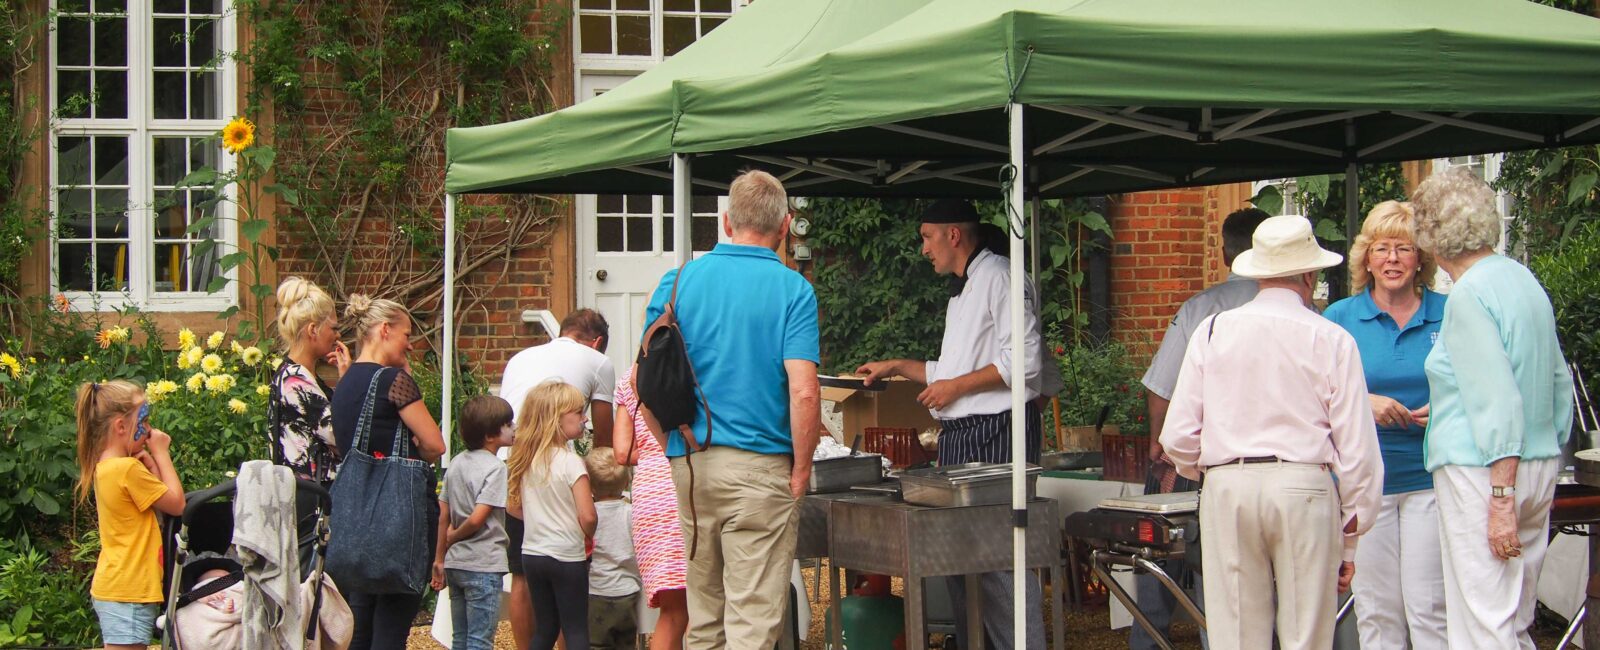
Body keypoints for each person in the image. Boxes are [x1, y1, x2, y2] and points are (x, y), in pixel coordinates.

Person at [1159, 214, 1383, 649]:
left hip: (1229, 483)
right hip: (1303, 483)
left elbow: (1178, 436)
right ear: (1309, 273)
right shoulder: (1331, 338)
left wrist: (1210, 469)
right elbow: (1357, 455)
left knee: (1236, 636)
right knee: (1306, 636)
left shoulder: (1212, 330)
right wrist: (1350, 539)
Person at [855, 198, 1045, 650]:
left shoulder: (1000, 276)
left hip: (997, 430)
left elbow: (1024, 362)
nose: (923, 248)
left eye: (927, 236)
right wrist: (897, 366)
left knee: (1000, 561)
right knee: (960, 562)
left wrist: (956, 388)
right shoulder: (963, 288)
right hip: (961, 437)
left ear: (953, 234)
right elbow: (954, 369)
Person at [642, 169, 820, 650]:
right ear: (785, 227)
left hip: (694, 465)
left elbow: (647, 382)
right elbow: (804, 392)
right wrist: (801, 469)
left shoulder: (676, 283)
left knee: (705, 619)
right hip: (762, 470)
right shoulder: (793, 290)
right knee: (752, 621)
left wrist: (674, 450)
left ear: (725, 222)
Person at [1411, 167, 1575, 649]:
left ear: (1432, 237)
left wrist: (1501, 495)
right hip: (1537, 463)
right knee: (1514, 619)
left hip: (1483, 473)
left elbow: (1498, 398)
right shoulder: (1524, 280)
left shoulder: (1468, 294)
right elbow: (1557, 383)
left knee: (1482, 622)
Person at [1132, 207, 1269, 650]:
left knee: (1162, 563)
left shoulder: (1201, 308)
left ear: (1224, 252)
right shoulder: (1303, 309)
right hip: (1275, 464)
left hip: (1199, 459)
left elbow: (1161, 387)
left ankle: (1149, 641)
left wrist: (1158, 445)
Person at [1321, 201, 1449, 649]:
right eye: (1382, 248)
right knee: (1376, 612)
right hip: (1365, 485)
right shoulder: (1339, 319)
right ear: (1366, 258)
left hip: (1432, 477)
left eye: (1404, 249)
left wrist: (1450, 407)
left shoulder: (1450, 313)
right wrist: (1363, 401)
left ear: (1421, 260)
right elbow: (1314, 397)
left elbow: (1479, 385)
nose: (1392, 259)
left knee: (1429, 609)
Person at [330, 294, 446, 650]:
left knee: (361, 626)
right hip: (397, 520)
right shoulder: (394, 380)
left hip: (356, 520)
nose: (409, 345)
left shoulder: (345, 383)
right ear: (384, 330)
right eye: (405, 334)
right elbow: (435, 445)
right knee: (392, 628)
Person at [500, 308, 616, 648]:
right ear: (597, 342)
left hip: (514, 463)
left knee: (520, 578)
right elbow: (604, 440)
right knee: (572, 614)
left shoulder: (521, 357)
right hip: (566, 543)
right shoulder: (598, 362)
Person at [75, 380, 186, 650]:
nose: (149, 430)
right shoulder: (126, 469)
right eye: (144, 421)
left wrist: (151, 464)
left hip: (120, 587)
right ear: (121, 426)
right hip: (129, 591)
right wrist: (161, 453)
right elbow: (177, 503)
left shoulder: (109, 466)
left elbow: (160, 500)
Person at [508, 381, 598, 650]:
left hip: (533, 554)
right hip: (567, 555)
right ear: (556, 418)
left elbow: (513, 507)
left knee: (545, 629)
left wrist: (540, 520)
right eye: (579, 412)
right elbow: (588, 515)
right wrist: (587, 533)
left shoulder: (525, 459)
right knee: (576, 629)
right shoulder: (571, 462)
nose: (585, 418)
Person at [612, 366, 689, 650]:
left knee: (671, 611)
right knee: (699, 610)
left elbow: (621, 451)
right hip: (682, 484)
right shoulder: (692, 368)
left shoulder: (629, 380)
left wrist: (650, 452)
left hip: (649, 495)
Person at [431, 395, 515, 650]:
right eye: (508, 424)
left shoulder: (457, 462)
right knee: (479, 641)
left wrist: (440, 557)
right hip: (484, 563)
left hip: (456, 563)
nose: (514, 428)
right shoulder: (496, 468)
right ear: (491, 435)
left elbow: (442, 513)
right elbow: (479, 518)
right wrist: (454, 536)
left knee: (460, 638)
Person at [585, 448, 640, 650]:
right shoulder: (632, 513)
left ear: (589, 486)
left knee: (596, 644)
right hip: (628, 590)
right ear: (626, 482)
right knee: (626, 643)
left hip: (596, 590)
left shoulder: (588, 515)